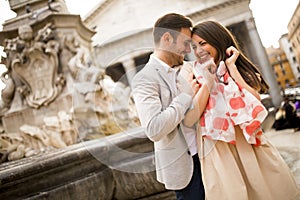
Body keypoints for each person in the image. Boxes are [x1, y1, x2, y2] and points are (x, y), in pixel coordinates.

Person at [182, 20, 299, 200]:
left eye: (203, 43)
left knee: (268, 190)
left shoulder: (236, 68)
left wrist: (232, 67)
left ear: (217, 40)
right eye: (194, 46)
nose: (198, 51)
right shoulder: (192, 73)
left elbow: (254, 98)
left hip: (248, 142)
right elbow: (190, 118)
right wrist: (209, 80)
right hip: (219, 147)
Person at [131, 13, 205, 199]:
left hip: (211, 157)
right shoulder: (144, 79)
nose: (189, 49)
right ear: (166, 38)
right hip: (186, 170)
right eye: (185, 42)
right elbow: (154, 129)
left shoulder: (189, 68)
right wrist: (185, 96)